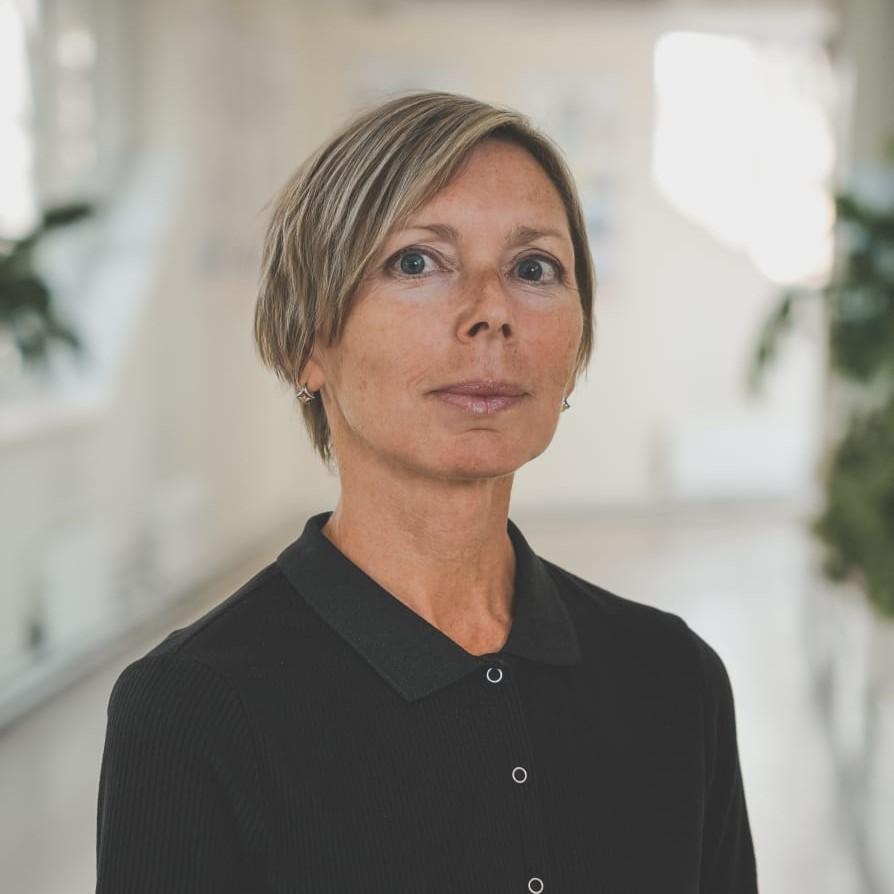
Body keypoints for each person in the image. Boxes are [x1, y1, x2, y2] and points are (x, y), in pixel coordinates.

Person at [95, 90, 759, 893]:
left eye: (534, 268)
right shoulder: (191, 711)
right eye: (417, 262)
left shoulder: (675, 678)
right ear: (309, 338)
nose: (491, 311)